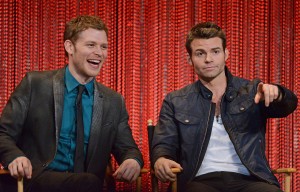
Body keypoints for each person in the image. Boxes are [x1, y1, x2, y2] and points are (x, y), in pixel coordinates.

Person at [0, 15, 143, 192]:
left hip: (88, 184)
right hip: (35, 181)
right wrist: (15, 156)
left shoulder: (114, 101)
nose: (99, 52)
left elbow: (129, 149)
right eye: (91, 45)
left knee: (88, 182)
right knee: (88, 182)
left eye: (104, 47)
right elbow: (3, 133)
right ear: (70, 47)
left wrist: (132, 160)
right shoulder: (34, 84)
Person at [151, 22, 298, 192]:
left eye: (215, 51)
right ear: (189, 59)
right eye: (200, 53)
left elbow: (288, 105)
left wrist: (278, 93)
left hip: (250, 179)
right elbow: (164, 144)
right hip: (198, 181)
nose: (208, 59)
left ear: (226, 54)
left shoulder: (252, 91)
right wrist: (161, 159)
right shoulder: (176, 100)